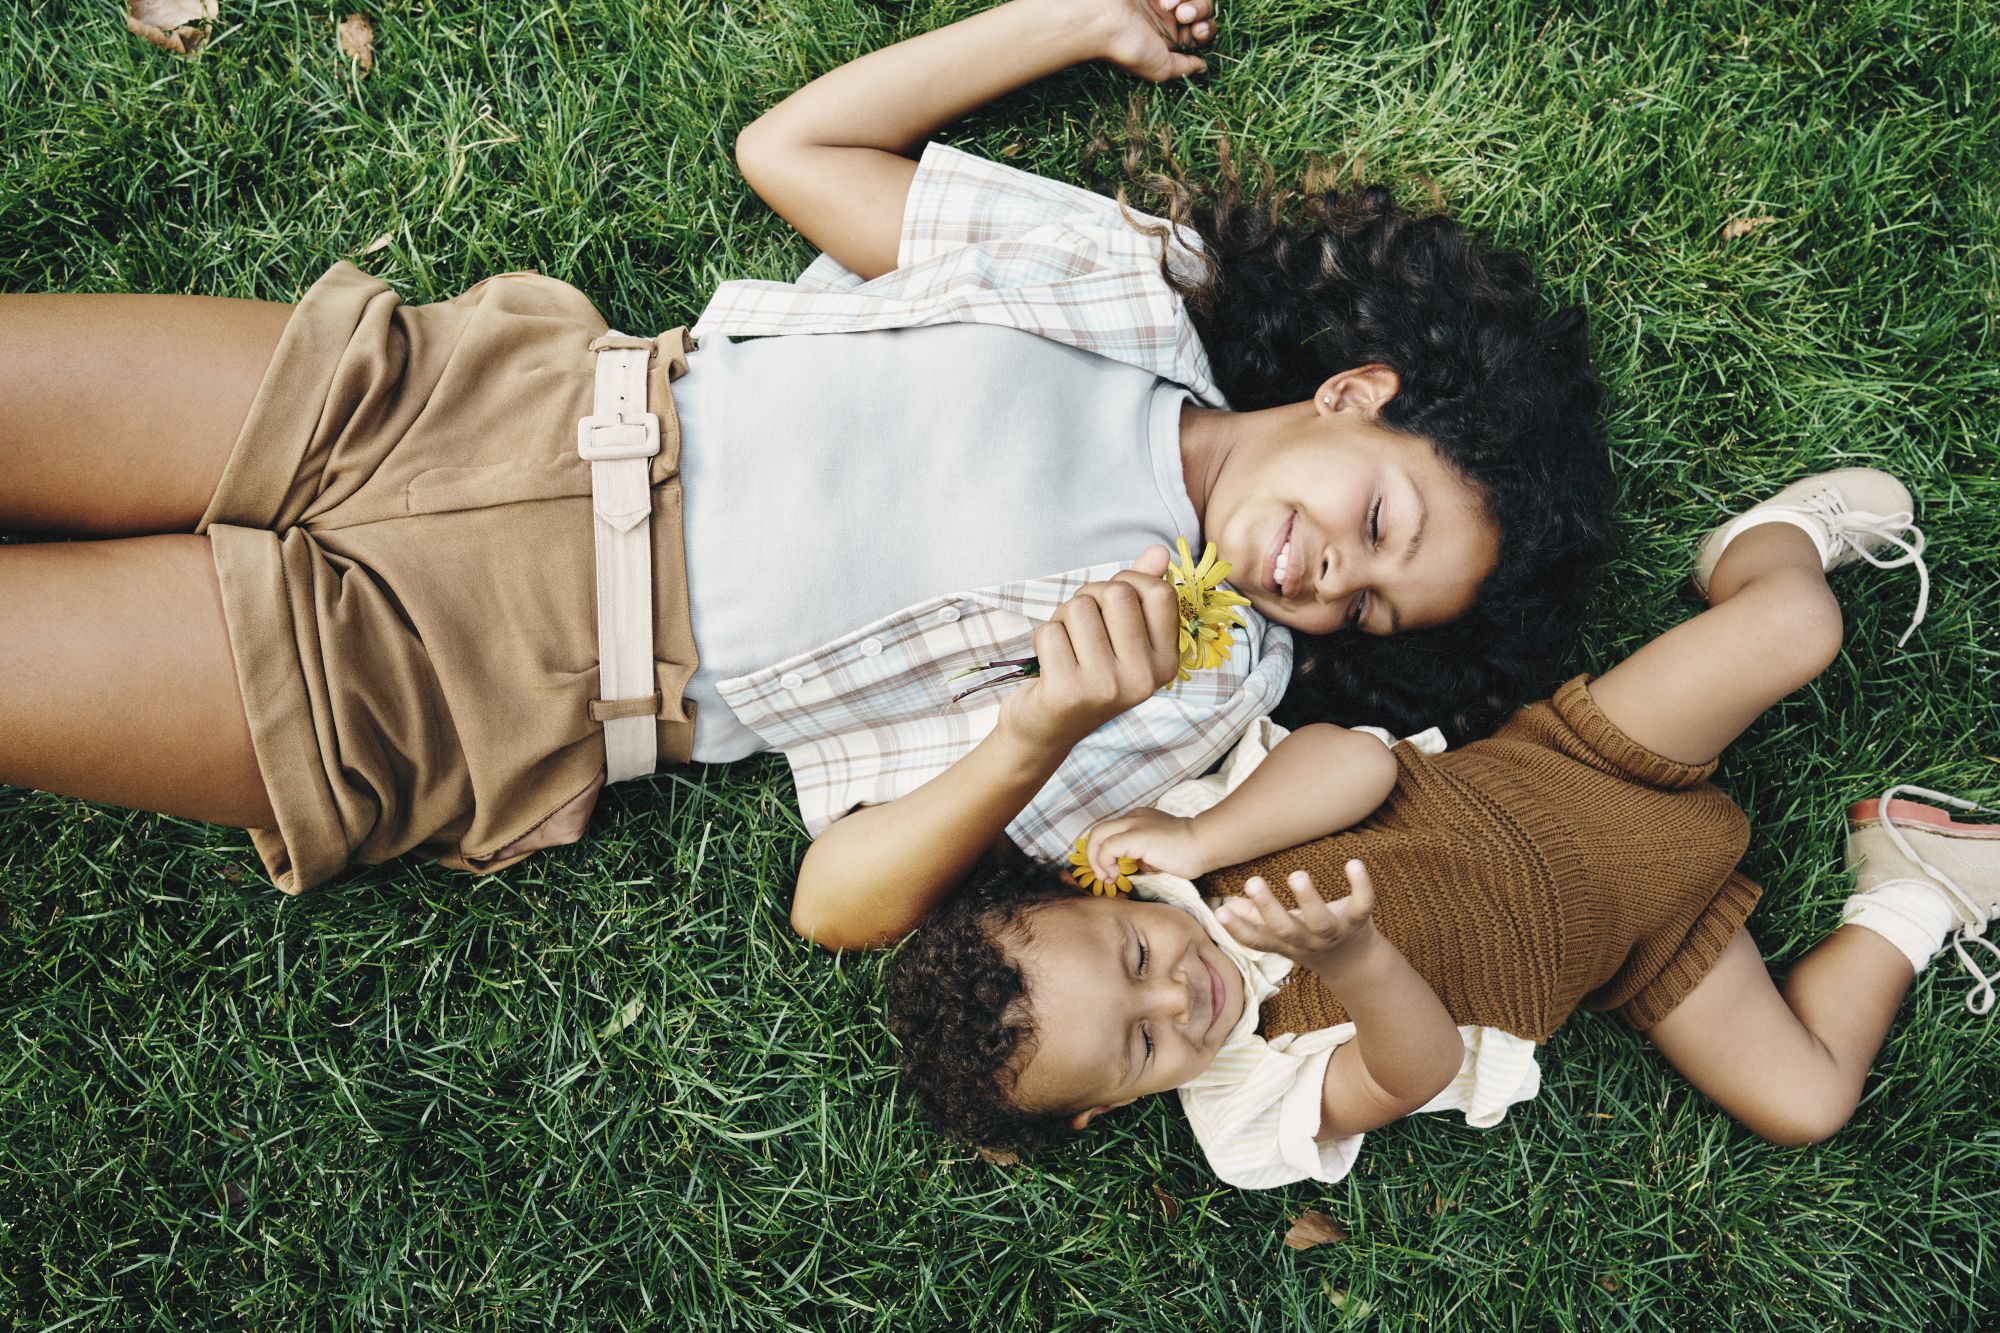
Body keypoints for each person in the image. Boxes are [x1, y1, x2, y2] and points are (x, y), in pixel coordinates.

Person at [0, 0, 1606, 942]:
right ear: (1352, 393)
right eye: (1380, 518)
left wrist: (1042, 725)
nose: (1333, 578)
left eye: (1376, 616)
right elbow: (794, 154)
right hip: (463, 404)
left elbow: (836, 899)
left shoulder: (1189, 689)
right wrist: (1066, 19)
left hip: (472, 678)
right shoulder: (1131, 286)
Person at [886, 470, 1994, 1188]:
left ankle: (1759, 545)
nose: (1179, 995)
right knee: (1806, 1099)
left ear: (1093, 895)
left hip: (1571, 762)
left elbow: (1358, 759)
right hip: (1642, 943)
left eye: (1133, 957)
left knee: (1796, 622)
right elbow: (1404, 1071)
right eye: (1139, 1042)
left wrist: (1211, 837)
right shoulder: (1240, 1111)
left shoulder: (1181, 849)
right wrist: (1353, 960)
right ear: (1106, 1110)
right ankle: (1905, 883)